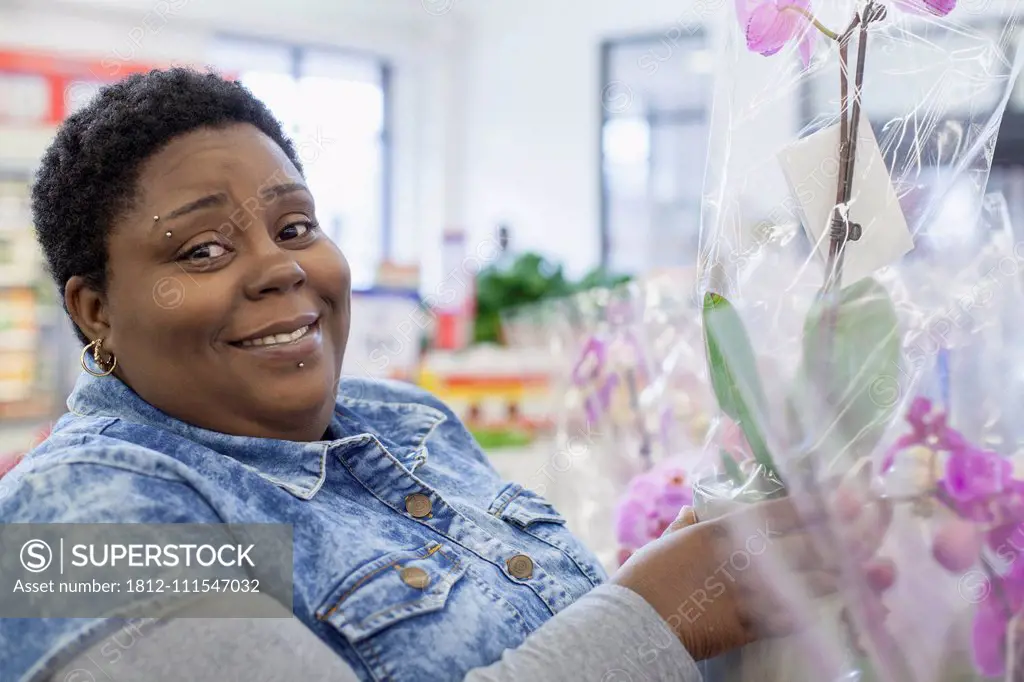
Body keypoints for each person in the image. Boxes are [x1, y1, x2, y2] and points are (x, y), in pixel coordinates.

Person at [0, 68, 894, 682]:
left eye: (296, 226)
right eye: (202, 250)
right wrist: (656, 613)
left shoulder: (407, 426)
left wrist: (743, 589)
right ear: (95, 310)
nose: (279, 267)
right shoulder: (74, 519)